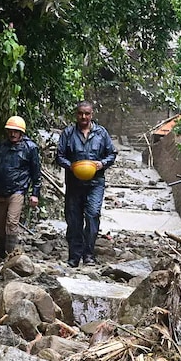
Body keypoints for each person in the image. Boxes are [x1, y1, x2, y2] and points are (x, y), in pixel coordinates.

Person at [56, 101, 117, 267]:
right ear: (76, 114)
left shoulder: (101, 133)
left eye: (87, 114)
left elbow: (112, 154)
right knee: (73, 219)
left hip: (95, 183)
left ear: (92, 114)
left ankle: (89, 254)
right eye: (80, 113)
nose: (84, 117)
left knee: (92, 215)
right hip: (74, 184)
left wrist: (101, 163)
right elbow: (59, 156)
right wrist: (72, 166)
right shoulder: (68, 133)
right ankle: (74, 257)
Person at [0, 116, 41, 262]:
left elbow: (36, 173)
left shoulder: (30, 148)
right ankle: (1, 255)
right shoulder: (2, 147)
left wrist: (35, 194)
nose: (12, 134)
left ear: (21, 133)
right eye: (10, 131)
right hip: (0, 190)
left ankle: (10, 257)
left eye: (16, 131)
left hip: (18, 190)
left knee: (12, 222)